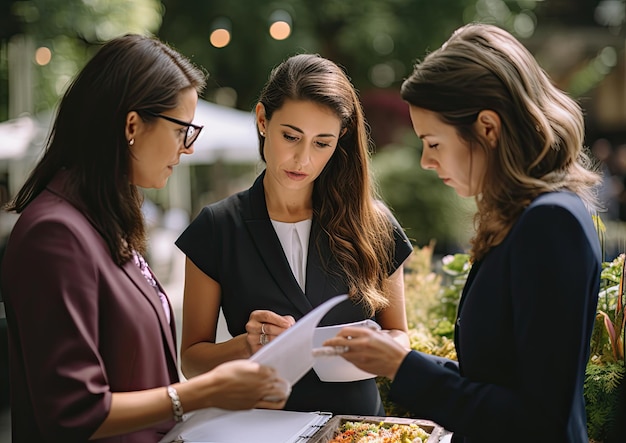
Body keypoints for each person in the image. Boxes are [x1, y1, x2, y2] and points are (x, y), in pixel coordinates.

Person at [0, 34, 289, 443]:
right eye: (182, 130)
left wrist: (242, 348)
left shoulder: (103, 222)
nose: (187, 149)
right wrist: (206, 391)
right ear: (132, 125)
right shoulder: (55, 235)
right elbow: (73, 411)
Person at [324, 23, 602, 442]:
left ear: (487, 128)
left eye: (433, 143)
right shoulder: (528, 216)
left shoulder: (549, 224)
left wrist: (403, 368)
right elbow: (500, 379)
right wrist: (398, 359)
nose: (425, 162)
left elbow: (539, 419)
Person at [175, 53, 413, 415]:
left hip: (358, 430)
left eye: (322, 143)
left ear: (341, 139)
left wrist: (376, 350)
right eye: (291, 136)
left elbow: (400, 336)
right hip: (259, 430)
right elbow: (191, 361)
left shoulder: (374, 223)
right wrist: (245, 346)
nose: (303, 159)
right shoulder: (217, 227)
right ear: (262, 120)